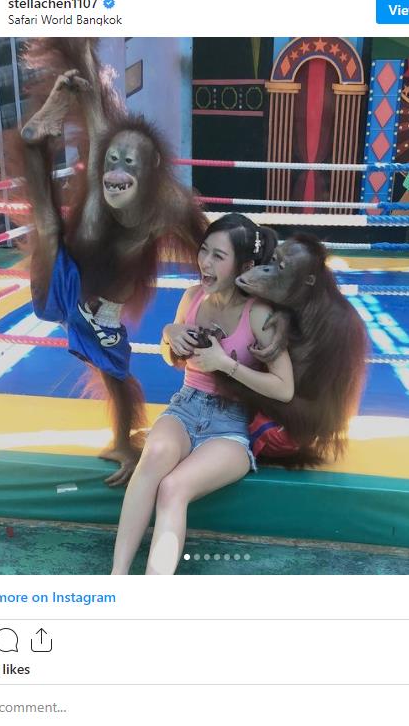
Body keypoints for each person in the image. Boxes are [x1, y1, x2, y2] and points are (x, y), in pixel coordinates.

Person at [111, 213, 294, 575]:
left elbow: (284, 388)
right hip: (185, 407)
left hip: (231, 426)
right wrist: (169, 334)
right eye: (204, 250)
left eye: (218, 256)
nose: (205, 263)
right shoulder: (192, 297)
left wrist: (226, 364)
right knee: (152, 460)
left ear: (244, 267)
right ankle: (117, 577)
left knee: (173, 488)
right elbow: (172, 360)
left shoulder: (259, 315)